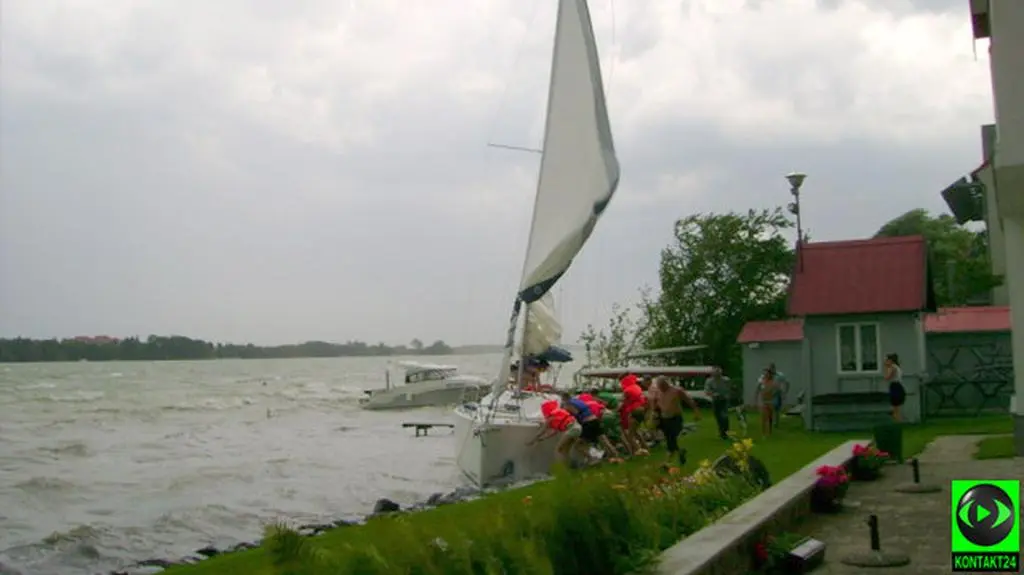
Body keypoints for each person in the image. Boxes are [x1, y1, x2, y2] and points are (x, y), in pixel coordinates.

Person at [560, 392, 621, 462]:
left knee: (578, 446)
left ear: (564, 398)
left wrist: (567, 410)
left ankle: (592, 459)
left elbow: (576, 412)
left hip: (588, 423)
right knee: (604, 440)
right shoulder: (577, 400)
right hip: (595, 420)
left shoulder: (568, 404)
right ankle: (616, 456)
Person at [653, 376, 701, 465]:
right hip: (664, 418)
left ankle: (669, 459)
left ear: (666, 384)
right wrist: (655, 414)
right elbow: (656, 404)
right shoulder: (658, 392)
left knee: (672, 437)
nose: (661, 388)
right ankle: (677, 454)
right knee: (669, 439)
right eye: (659, 386)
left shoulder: (677, 391)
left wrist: (696, 411)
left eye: (662, 385)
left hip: (675, 417)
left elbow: (689, 400)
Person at [528, 400, 586, 466]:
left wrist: (532, 440)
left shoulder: (551, 417)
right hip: (578, 428)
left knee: (558, 449)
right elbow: (553, 432)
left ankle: (560, 469)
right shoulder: (558, 414)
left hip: (572, 429)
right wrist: (541, 439)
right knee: (565, 451)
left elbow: (542, 431)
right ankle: (571, 467)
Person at [618, 373, 649, 456]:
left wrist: (616, 410)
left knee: (629, 435)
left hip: (634, 411)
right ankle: (645, 447)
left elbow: (621, 404)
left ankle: (640, 451)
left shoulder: (626, 390)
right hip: (642, 409)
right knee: (635, 431)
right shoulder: (637, 387)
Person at [704, 366, 732, 440]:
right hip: (715, 400)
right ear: (712, 373)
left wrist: (727, 395)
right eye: (715, 373)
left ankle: (725, 433)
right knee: (718, 417)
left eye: (718, 373)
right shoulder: (709, 381)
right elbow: (707, 391)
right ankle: (722, 432)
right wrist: (713, 394)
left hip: (724, 400)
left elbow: (729, 389)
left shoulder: (726, 380)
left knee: (724, 416)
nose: (717, 374)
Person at [884, 353, 906, 421]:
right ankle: (897, 419)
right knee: (896, 407)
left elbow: (888, 377)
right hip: (898, 385)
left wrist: (887, 368)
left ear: (890, 360)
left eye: (887, 360)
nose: (885, 362)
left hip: (895, 386)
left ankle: (897, 420)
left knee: (895, 406)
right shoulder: (897, 367)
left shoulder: (893, 367)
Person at [757, 368, 778, 437]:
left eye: (767, 373)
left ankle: (770, 431)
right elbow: (758, 389)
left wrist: (773, 393)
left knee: (770, 417)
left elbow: (776, 390)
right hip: (764, 402)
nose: (766, 374)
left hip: (771, 401)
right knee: (764, 417)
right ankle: (764, 433)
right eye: (765, 373)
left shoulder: (772, 382)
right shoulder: (762, 381)